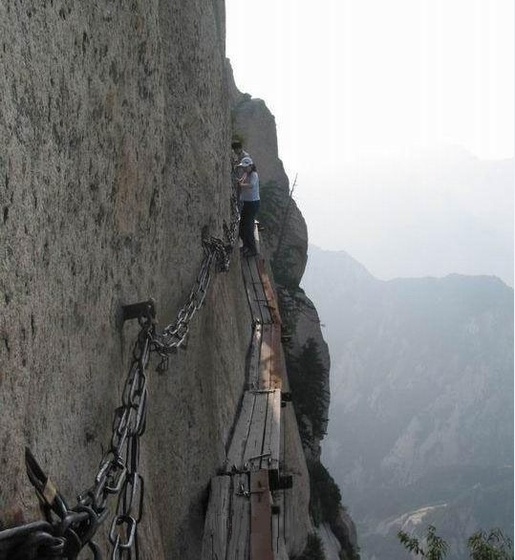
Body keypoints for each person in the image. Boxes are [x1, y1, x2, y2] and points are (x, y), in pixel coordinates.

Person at [237, 156, 260, 257]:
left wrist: (241, 185)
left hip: (253, 203)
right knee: (242, 225)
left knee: (248, 227)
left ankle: (252, 250)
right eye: (243, 167)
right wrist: (239, 181)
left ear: (251, 166)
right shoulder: (246, 173)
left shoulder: (254, 175)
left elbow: (251, 185)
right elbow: (241, 180)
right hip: (247, 202)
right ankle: (246, 245)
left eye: (245, 167)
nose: (244, 169)